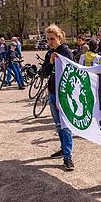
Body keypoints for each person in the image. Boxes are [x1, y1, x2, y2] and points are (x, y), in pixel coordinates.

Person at [43, 25, 74, 171]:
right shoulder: (49, 53)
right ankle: (63, 149)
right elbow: (43, 73)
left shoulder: (66, 52)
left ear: (59, 38)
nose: (50, 42)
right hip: (52, 93)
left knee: (65, 126)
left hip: (64, 95)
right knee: (58, 125)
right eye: (48, 39)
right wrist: (50, 62)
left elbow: (73, 72)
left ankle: (68, 157)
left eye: (52, 39)